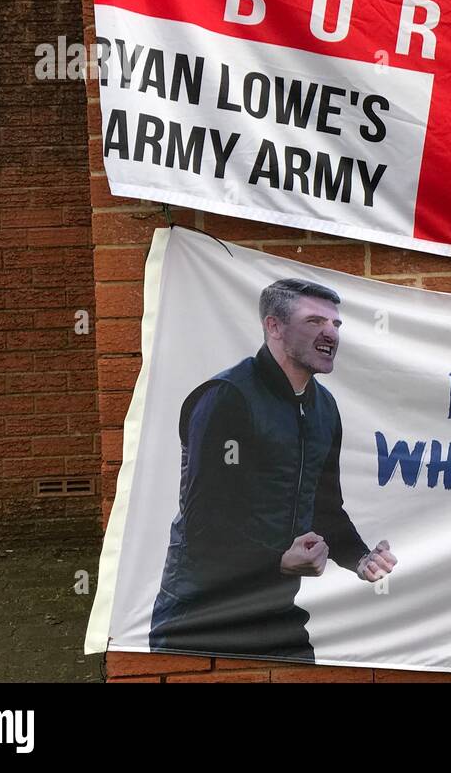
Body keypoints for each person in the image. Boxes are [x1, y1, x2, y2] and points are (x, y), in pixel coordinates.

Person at [150, 278, 396, 661]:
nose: (330, 332)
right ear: (274, 327)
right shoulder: (226, 398)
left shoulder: (323, 408)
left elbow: (324, 507)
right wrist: (278, 562)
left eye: (336, 324)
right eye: (315, 321)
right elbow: (204, 523)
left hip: (276, 609)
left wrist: (361, 558)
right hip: (203, 613)